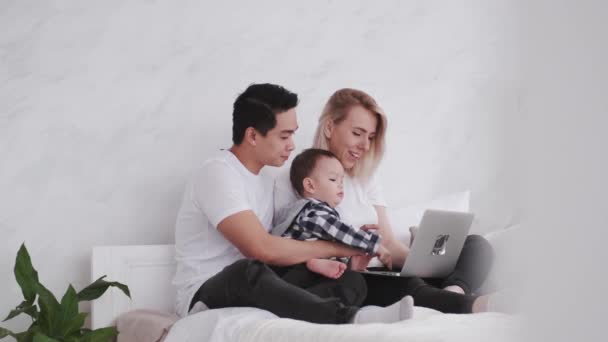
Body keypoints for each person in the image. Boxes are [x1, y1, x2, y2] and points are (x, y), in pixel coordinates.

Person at [173, 83, 413, 325]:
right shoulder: (217, 172)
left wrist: (346, 258)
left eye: (293, 134)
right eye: (284, 136)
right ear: (253, 135)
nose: (292, 145)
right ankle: (350, 318)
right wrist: (342, 247)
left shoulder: (270, 179)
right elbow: (261, 248)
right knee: (247, 269)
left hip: (263, 282)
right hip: (210, 289)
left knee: (351, 281)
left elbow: (288, 244)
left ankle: (302, 316)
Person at [274, 88, 496, 314]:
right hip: (352, 277)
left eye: (370, 137)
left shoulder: (366, 179)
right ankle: (472, 305)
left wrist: (423, 262)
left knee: (476, 245)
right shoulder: (299, 177)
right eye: (357, 133)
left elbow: (388, 243)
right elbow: (284, 245)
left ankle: (453, 291)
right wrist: (353, 246)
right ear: (330, 127)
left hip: (384, 270)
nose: (366, 145)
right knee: (406, 285)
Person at [271, 148, 392, 279]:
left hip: (304, 271)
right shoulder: (313, 210)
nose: (340, 185)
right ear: (310, 186)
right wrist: (372, 244)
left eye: (342, 180)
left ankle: (317, 263)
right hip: (292, 269)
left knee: (353, 279)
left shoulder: (317, 212)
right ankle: (312, 262)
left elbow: (335, 236)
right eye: (333, 179)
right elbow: (337, 229)